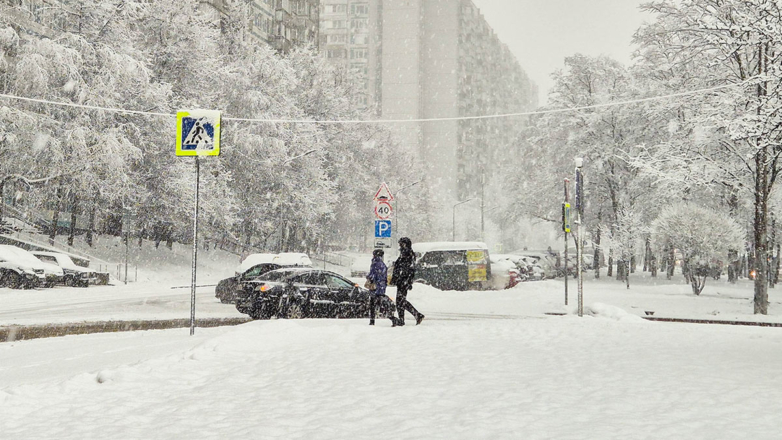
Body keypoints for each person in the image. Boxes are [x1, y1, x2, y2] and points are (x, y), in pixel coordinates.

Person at [391, 237, 424, 326]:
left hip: (403, 280)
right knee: (400, 301)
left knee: (401, 300)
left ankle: (416, 315)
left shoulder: (408, 254)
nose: (400, 245)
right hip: (401, 280)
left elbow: (409, 269)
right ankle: (403, 319)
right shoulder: (404, 253)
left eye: (401, 244)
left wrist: (407, 280)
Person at [367, 249, 397, 326]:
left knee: (374, 305)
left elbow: (373, 275)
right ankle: (392, 318)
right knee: (380, 305)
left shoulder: (375, 263)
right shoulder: (382, 264)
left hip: (375, 287)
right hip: (381, 287)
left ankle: (372, 321)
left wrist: (369, 277)